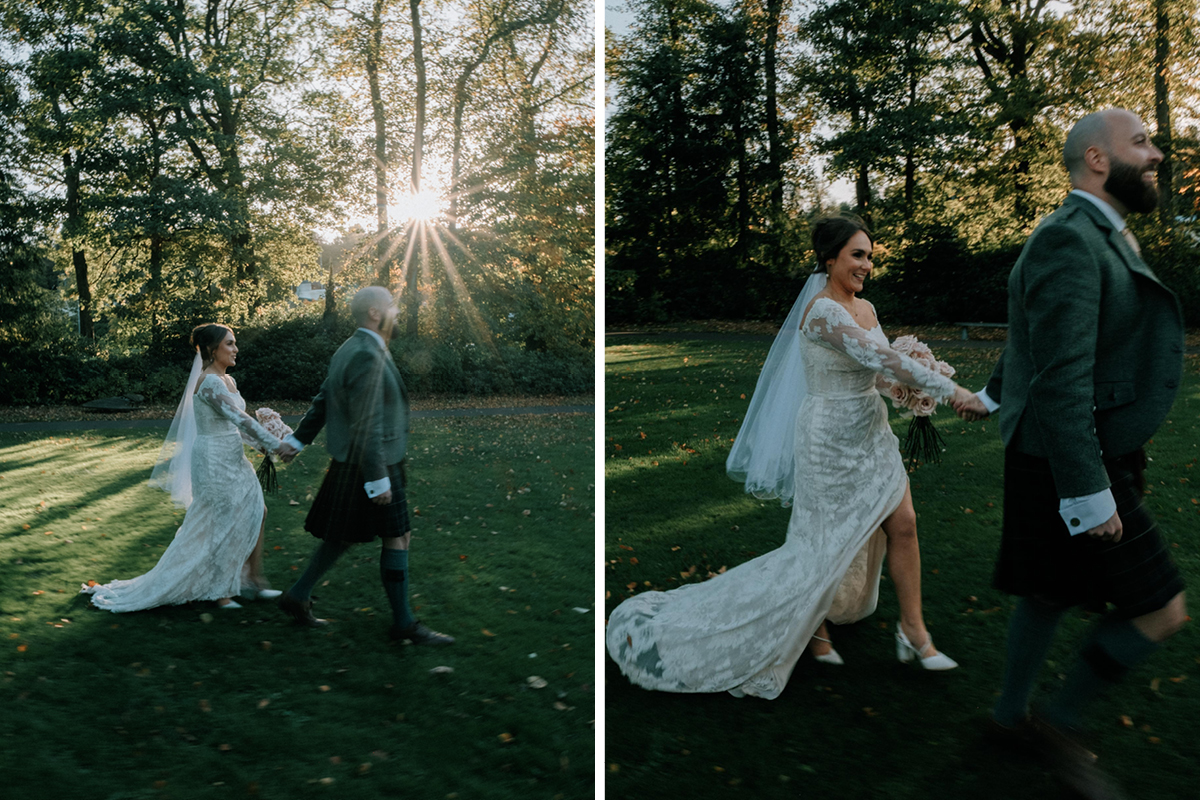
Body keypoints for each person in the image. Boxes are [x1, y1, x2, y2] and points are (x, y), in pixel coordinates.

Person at [606, 215, 979, 699]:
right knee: (821, 545)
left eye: (869, 255)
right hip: (828, 439)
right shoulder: (823, 312)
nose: (866, 264)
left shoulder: (865, 308)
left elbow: (882, 374)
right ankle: (816, 630)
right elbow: (882, 358)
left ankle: (914, 632)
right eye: (856, 255)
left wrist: (912, 393)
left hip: (871, 431)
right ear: (830, 259)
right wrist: (950, 389)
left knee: (903, 523)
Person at [954, 109, 1187, 800]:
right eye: (1141, 143)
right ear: (1095, 158)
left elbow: (1038, 336)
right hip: (1071, 457)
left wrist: (995, 393)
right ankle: (1053, 725)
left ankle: (1007, 719)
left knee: (1050, 592)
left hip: (1068, 447)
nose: (1156, 154)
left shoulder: (1100, 233)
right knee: (1161, 609)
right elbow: (1059, 377)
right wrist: (1091, 494)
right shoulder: (1069, 239)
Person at [275, 286, 453, 646]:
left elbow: (325, 398)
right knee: (397, 536)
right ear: (375, 312)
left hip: (356, 462)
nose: (398, 311)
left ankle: (297, 595)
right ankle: (403, 623)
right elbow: (366, 423)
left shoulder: (352, 348)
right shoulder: (365, 354)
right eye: (392, 306)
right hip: (372, 462)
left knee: (342, 535)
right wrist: (377, 481)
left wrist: (297, 440)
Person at [82, 324, 285, 612]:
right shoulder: (210, 382)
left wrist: (262, 446)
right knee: (220, 521)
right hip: (213, 459)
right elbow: (240, 418)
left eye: (235, 343)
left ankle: (253, 578)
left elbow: (234, 426)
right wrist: (276, 444)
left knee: (257, 511)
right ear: (213, 350)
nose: (236, 349)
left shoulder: (229, 381)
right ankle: (221, 592)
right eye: (230, 344)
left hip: (233, 457)